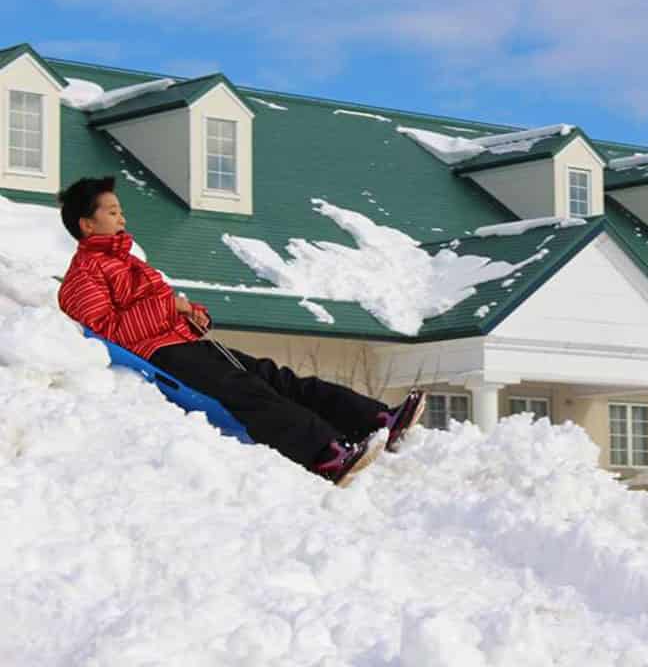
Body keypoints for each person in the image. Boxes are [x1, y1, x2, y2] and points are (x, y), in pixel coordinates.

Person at [55, 176, 424, 485]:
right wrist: (172, 307)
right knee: (247, 392)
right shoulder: (83, 275)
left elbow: (160, 309)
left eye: (121, 210)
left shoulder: (130, 263)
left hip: (185, 341)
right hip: (161, 354)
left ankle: (375, 420)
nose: (122, 217)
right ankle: (324, 454)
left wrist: (192, 314)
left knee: (276, 377)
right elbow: (109, 330)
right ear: (87, 225)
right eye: (112, 211)